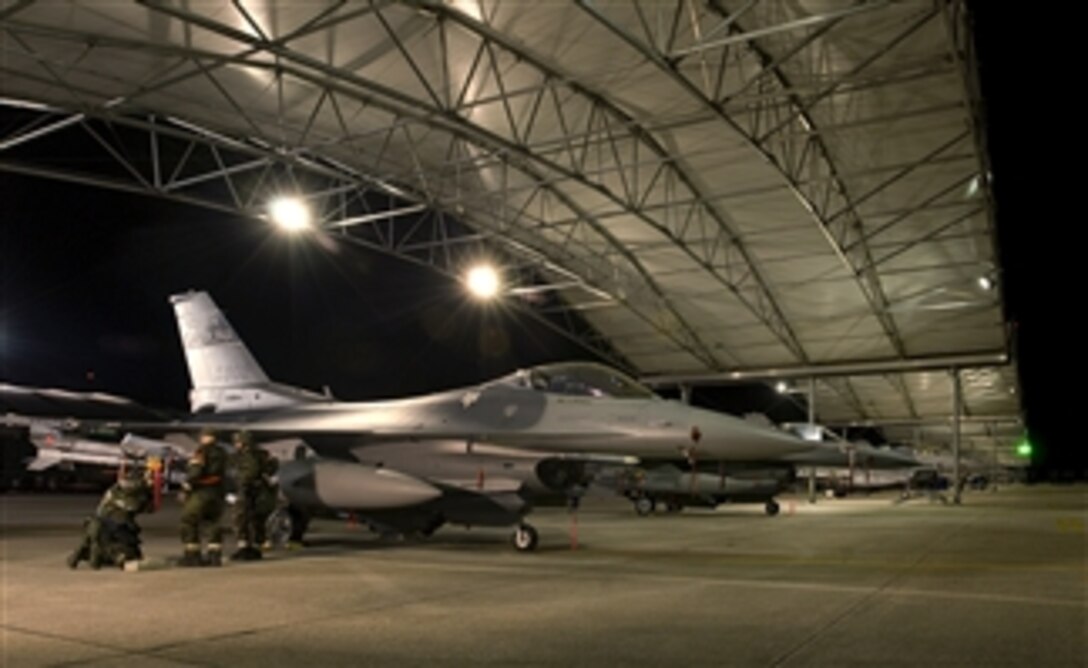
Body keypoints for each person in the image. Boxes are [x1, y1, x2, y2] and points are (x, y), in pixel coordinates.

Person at [67, 463, 153, 569]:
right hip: (109, 525)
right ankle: (111, 557)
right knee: (103, 544)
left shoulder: (118, 491)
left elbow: (142, 506)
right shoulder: (118, 494)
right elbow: (133, 506)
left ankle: (88, 558)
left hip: (110, 525)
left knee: (96, 541)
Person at [179, 428, 228, 566]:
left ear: (207, 437)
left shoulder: (201, 452)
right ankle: (214, 556)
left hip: (202, 492)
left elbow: (195, 472)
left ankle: (192, 555)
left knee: (189, 520)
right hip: (217, 493)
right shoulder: (222, 453)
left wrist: (186, 486)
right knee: (212, 521)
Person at [229, 430, 279, 561]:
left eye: (238, 442)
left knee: (241, 519)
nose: (236, 444)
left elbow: (248, 474)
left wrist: (237, 488)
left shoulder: (248, 457)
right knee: (255, 521)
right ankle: (254, 547)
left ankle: (245, 548)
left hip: (248, 491)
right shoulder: (261, 455)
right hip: (259, 492)